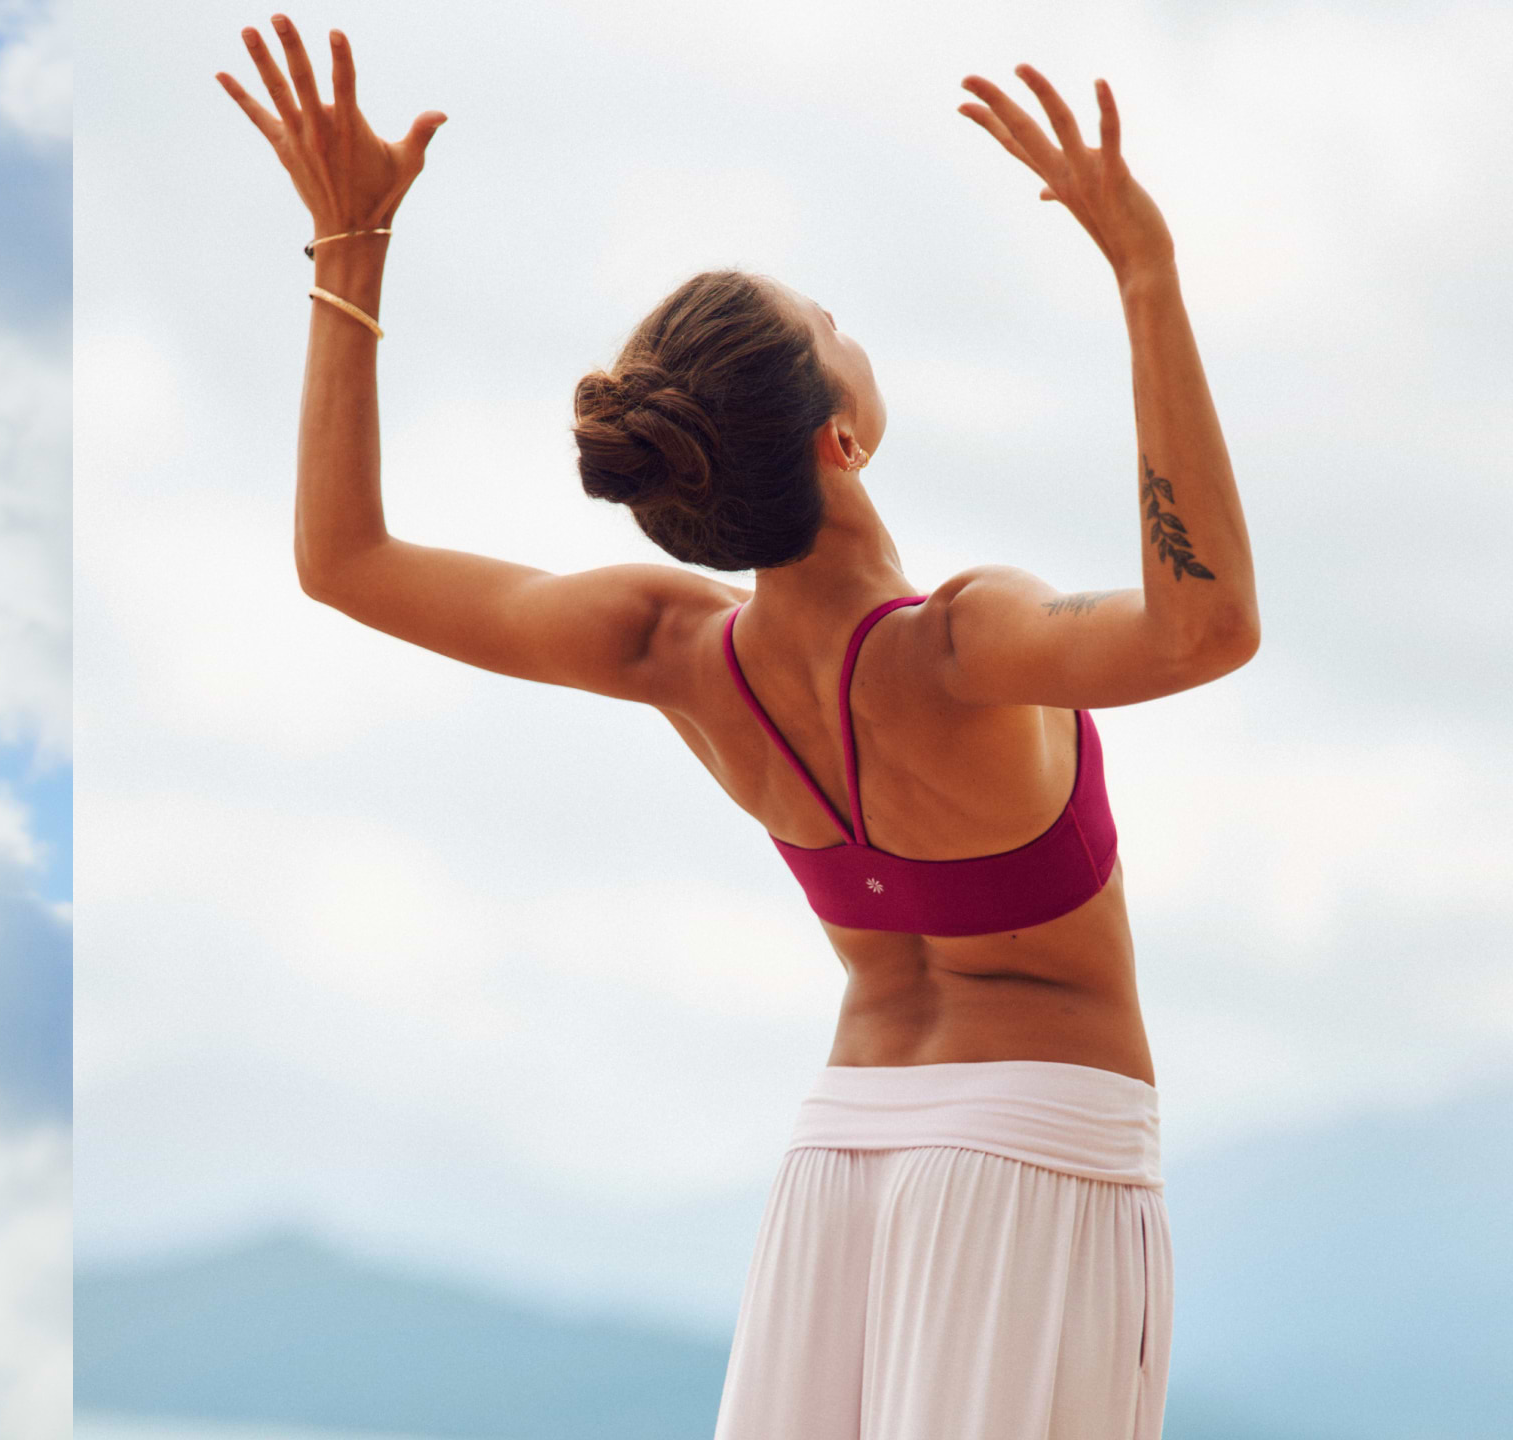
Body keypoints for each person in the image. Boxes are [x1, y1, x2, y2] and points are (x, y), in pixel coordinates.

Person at [216, 15, 1257, 1438]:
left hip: (839, 1155)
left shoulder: (670, 648)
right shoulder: (963, 644)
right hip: (1034, 1158)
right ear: (839, 433)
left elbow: (342, 562)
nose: (846, 320)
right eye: (829, 323)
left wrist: (349, 248)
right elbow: (1207, 627)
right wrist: (1146, 272)